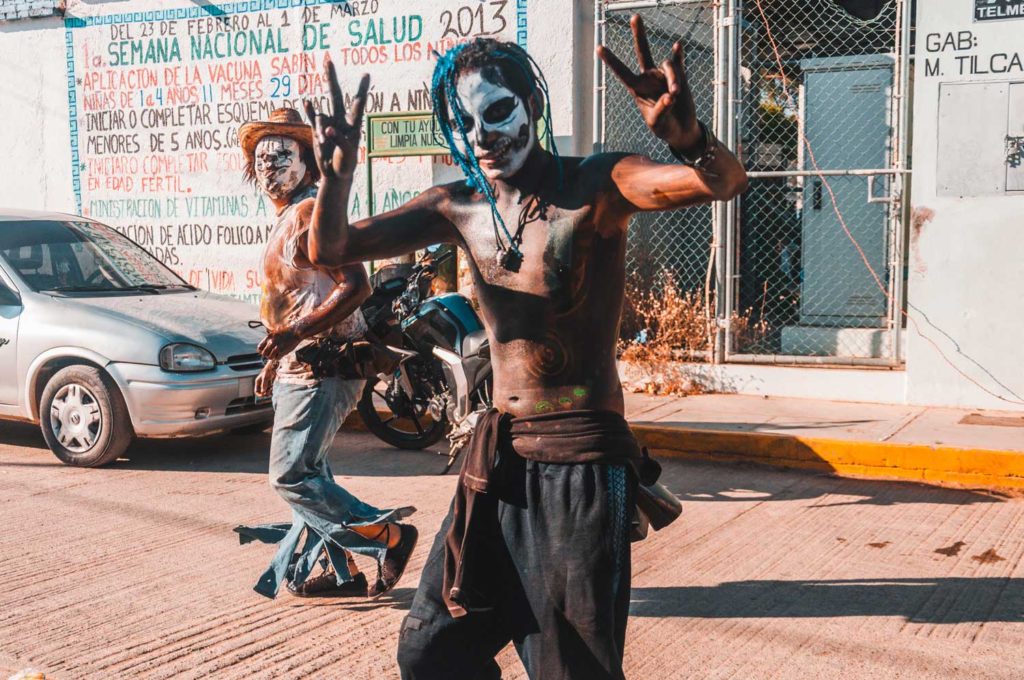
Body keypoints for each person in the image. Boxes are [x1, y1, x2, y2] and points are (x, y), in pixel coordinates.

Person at [302, 15, 747, 678]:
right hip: (499, 458)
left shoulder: (595, 185)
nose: (483, 136)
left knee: (570, 666)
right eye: (465, 122)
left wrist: (690, 140)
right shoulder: (456, 207)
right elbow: (330, 249)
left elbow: (722, 183)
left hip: (580, 462)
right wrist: (336, 178)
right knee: (432, 648)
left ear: (533, 106)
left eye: (498, 111)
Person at [232, 107, 418, 599]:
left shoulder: (310, 213)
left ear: (309, 164)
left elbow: (352, 285)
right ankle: (343, 576)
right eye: (262, 158)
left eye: (282, 157)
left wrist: (294, 336)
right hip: (299, 365)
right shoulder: (286, 218)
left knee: (291, 476)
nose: (270, 167)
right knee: (315, 476)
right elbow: (296, 298)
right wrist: (275, 360)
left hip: (324, 365)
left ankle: (389, 538)